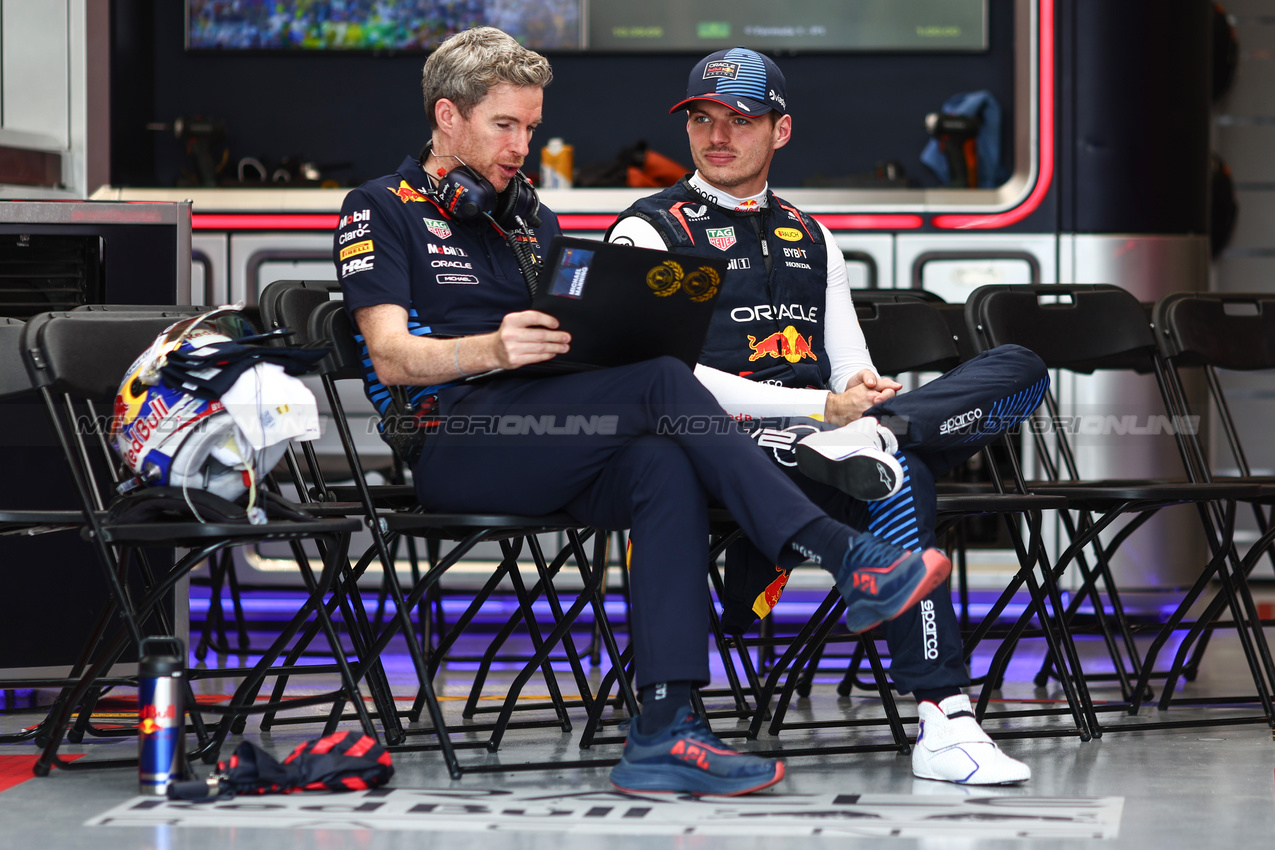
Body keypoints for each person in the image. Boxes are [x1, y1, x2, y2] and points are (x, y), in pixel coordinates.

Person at [334, 27, 953, 797]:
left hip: (547, 427)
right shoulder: (378, 209)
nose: (522, 144)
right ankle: (844, 555)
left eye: (530, 126)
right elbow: (390, 356)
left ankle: (666, 728)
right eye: (505, 125)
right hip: (450, 436)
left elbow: (567, 343)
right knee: (662, 380)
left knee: (663, 464)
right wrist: (492, 348)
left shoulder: (528, 217)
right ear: (447, 117)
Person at [608, 47, 1050, 785]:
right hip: (720, 449)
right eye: (703, 120)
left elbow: (847, 363)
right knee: (893, 474)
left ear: (779, 131)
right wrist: (820, 406)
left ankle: (880, 439)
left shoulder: (809, 235)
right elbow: (667, 378)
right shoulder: (655, 230)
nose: (717, 136)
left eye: (739, 120)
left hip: (830, 438)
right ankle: (944, 715)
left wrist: (861, 396)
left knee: (1019, 369)